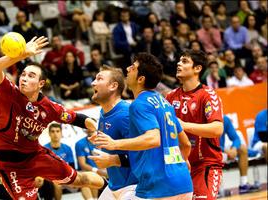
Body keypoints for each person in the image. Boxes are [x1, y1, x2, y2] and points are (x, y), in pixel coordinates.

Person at [0, 36, 104, 200]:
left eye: (31, 76)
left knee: (79, 179)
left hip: (36, 157)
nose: (24, 78)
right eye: (23, 74)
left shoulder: (48, 107)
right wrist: (21, 54)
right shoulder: (9, 93)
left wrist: (94, 129)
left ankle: (113, 189)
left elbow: (78, 118)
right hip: (9, 166)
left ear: (41, 83)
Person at [92, 53, 193, 199]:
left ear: (141, 79)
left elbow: (153, 139)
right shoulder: (165, 103)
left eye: (133, 67)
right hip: (183, 183)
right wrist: (180, 165)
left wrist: (114, 144)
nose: (127, 68)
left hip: (158, 187)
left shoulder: (139, 104)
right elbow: (186, 144)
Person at [166, 50, 224, 200]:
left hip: (205, 165)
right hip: (179, 166)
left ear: (197, 69)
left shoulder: (208, 95)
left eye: (185, 61)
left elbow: (217, 129)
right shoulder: (170, 97)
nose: (179, 63)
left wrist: (183, 125)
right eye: (179, 61)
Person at [88, 65, 138, 199]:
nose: (93, 83)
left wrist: (113, 159)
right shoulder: (103, 112)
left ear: (113, 86)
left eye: (99, 79)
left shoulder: (126, 114)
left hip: (135, 186)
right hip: (115, 185)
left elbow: (145, 153)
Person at [220, 115, 259, 193]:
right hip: (208, 153)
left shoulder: (224, 119)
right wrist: (225, 150)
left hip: (221, 153)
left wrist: (234, 148)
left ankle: (243, 184)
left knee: (243, 149)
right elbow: (205, 145)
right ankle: (215, 190)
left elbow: (236, 138)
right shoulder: (203, 121)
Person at [44, 123, 75, 200]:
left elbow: (72, 166)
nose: (55, 134)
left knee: (84, 181)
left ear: (61, 133)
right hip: (51, 177)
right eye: (53, 131)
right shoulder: (44, 149)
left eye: (58, 131)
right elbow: (44, 169)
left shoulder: (67, 148)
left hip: (66, 175)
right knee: (57, 184)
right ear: (49, 134)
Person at [75, 129, 107, 200]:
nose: (90, 129)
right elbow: (82, 164)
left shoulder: (104, 141)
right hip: (92, 171)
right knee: (87, 178)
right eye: (87, 127)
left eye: (91, 127)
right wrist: (97, 171)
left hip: (105, 171)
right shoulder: (80, 143)